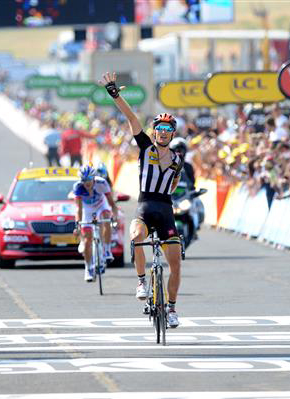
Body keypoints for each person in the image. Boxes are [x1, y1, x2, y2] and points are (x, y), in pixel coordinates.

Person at [100, 71, 184, 328]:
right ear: (154, 131)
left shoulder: (178, 159)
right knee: (136, 236)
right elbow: (131, 117)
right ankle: (140, 281)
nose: (162, 133)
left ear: (172, 134)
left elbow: (175, 183)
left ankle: (171, 309)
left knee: (176, 264)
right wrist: (114, 94)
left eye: (167, 130)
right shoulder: (145, 146)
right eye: (159, 128)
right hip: (146, 206)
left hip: (165, 209)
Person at [73, 165, 118, 282]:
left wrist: (115, 216)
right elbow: (78, 208)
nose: (86, 183)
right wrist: (77, 224)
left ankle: (107, 250)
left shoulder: (102, 183)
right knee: (87, 241)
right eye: (84, 181)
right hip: (88, 210)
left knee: (106, 217)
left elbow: (112, 204)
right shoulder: (78, 187)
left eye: (88, 180)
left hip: (101, 206)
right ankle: (88, 268)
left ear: (93, 178)